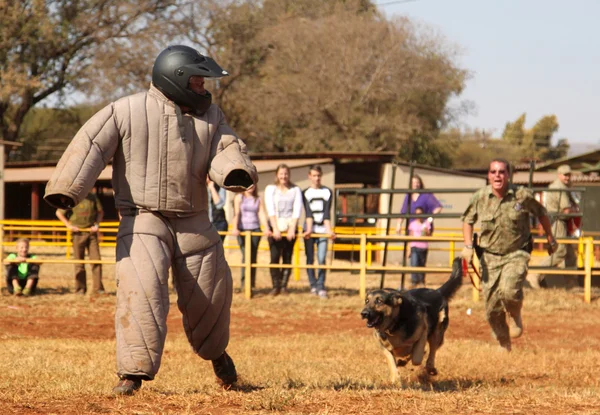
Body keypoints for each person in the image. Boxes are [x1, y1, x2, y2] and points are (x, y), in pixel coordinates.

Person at [44, 45, 258, 395]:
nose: (205, 87)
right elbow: (91, 145)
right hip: (143, 219)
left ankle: (217, 355)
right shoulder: (125, 110)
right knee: (141, 290)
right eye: (199, 81)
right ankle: (133, 374)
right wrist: (67, 188)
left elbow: (227, 148)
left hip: (194, 220)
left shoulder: (212, 117)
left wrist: (234, 171)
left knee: (212, 295)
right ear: (176, 79)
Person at [461, 158, 556, 352]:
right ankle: (503, 345)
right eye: (494, 172)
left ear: (508, 175)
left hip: (516, 253)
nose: (497, 175)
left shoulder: (521, 195)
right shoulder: (480, 197)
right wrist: (468, 246)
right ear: (488, 175)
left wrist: (550, 238)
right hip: (489, 257)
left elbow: (542, 213)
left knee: (509, 290)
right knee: (492, 308)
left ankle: (514, 313)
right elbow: (467, 220)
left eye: (502, 172)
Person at [527, 164, 579, 289]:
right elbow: (566, 210)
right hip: (558, 222)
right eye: (565, 175)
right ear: (559, 175)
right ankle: (535, 273)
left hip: (560, 222)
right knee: (559, 251)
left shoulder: (562, 186)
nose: (567, 177)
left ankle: (571, 283)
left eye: (569, 175)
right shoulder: (559, 187)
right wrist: (576, 211)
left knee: (570, 255)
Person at [55, 190, 104, 295]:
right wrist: (69, 226)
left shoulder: (92, 197)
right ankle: (80, 289)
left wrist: (97, 225)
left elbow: (100, 212)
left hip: (91, 233)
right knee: (79, 263)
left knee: (96, 261)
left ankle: (98, 288)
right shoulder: (72, 197)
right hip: (77, 234)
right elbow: (59, 212)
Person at [264, 164, 303, 296]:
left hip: (290, 227)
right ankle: (275, 286)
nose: (283, 176)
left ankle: (284, 286)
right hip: (275, 226)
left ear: (289, 174)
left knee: (287, 257)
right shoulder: (271, 189)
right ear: (277, 175)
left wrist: (292, 228)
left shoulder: (296, 190)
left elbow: (297, 210)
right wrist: (275, 228)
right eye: (281, 174)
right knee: (274, 257)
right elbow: (270, 209)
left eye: (286, 174)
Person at [302, 165, 336, 299]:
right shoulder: (305, 192)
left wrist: (330, 231)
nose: (316, 178)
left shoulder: (327, 192)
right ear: (309, 176)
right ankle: (313, 285)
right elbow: (308, 213)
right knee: (309, 259)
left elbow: (327, 213)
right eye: (314, 176)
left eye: (318, 176)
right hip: (309, 230)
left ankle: (321, 285)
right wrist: (309, 230)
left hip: (322, 230)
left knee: (321, 258)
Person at [231, 185, 270, 290]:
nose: (250, 187)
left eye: (253, 184)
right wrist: (235, 228)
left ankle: (251, 284)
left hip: (255, 229)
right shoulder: (239, 197)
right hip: (243, 230)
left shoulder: (258, 199)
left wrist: (266, 228)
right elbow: (237, 213)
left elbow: (261, 214)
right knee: (245, 256)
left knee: (253, 257)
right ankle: (244, 283)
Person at [407, 207, 432, 288]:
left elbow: (428, 235)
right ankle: (414, 281)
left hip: (423, 246)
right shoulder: (412, 224)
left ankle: (421, 281)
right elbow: (410, 237)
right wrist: (408, 249)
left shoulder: (426, 224)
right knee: (414, 264)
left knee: (422, 264)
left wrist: (426, 231)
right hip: (414, 246)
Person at [207, 177, 228, 242]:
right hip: (205, 224)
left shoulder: (220, 187)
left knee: (217, 249)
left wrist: (212, 188)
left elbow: (219, 205)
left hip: (219, 223)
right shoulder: (199, 188)